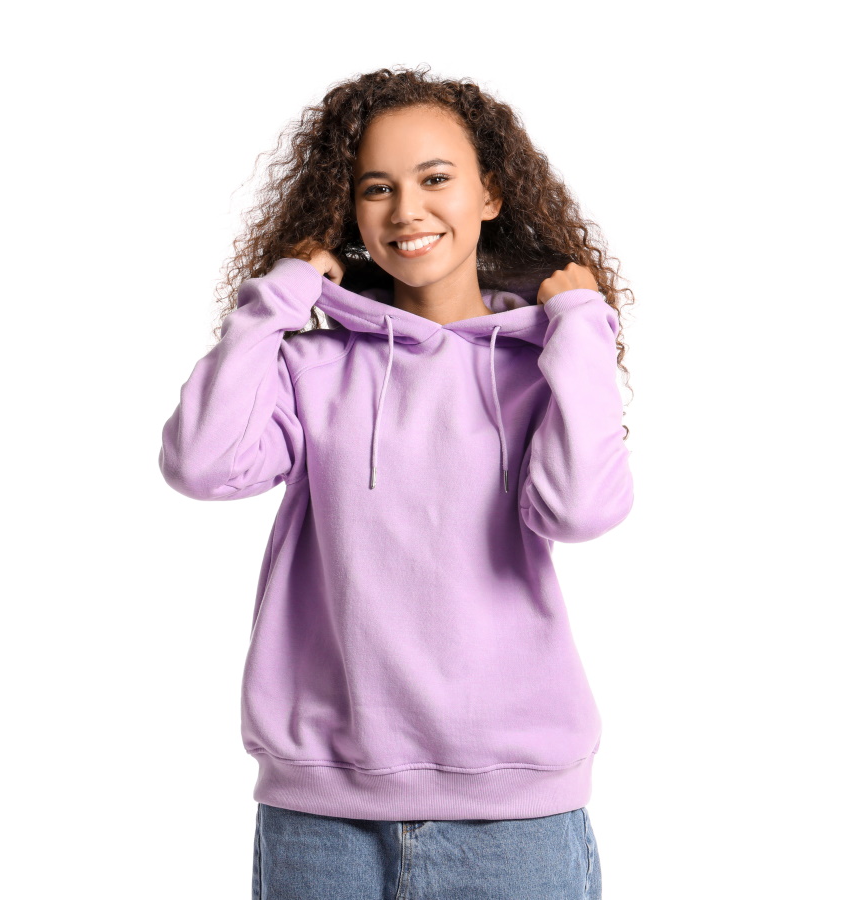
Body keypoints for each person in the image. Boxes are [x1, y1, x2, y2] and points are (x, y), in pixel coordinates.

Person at [158, 64, 635, 900]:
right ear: (349, 211)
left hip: (516, 815)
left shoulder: (539, 368)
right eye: (376, 187)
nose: (407, 210)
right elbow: (202, 464)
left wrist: (585, 327)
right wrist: (275, 300)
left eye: (435, 178)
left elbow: (582, 508)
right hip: (322, 818)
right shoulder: (308, 368)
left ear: (490, 193)